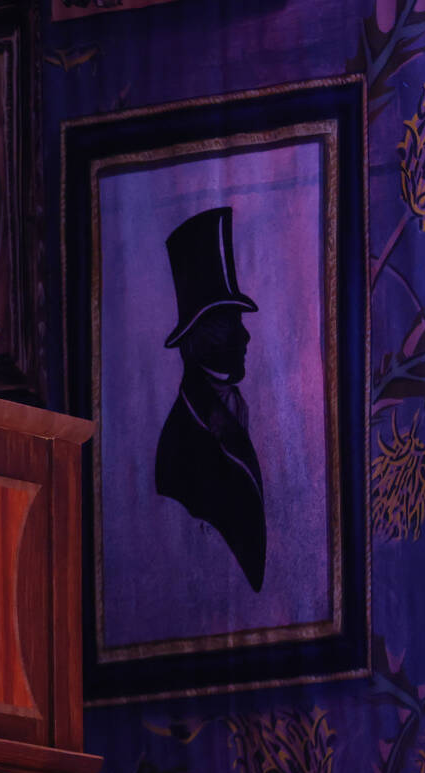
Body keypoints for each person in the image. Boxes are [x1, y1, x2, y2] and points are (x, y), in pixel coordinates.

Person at [154, 207, 266, 592]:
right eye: (232, 324)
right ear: (200, 337)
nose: (245, 337)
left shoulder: (230, 407)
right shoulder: (180, 441)